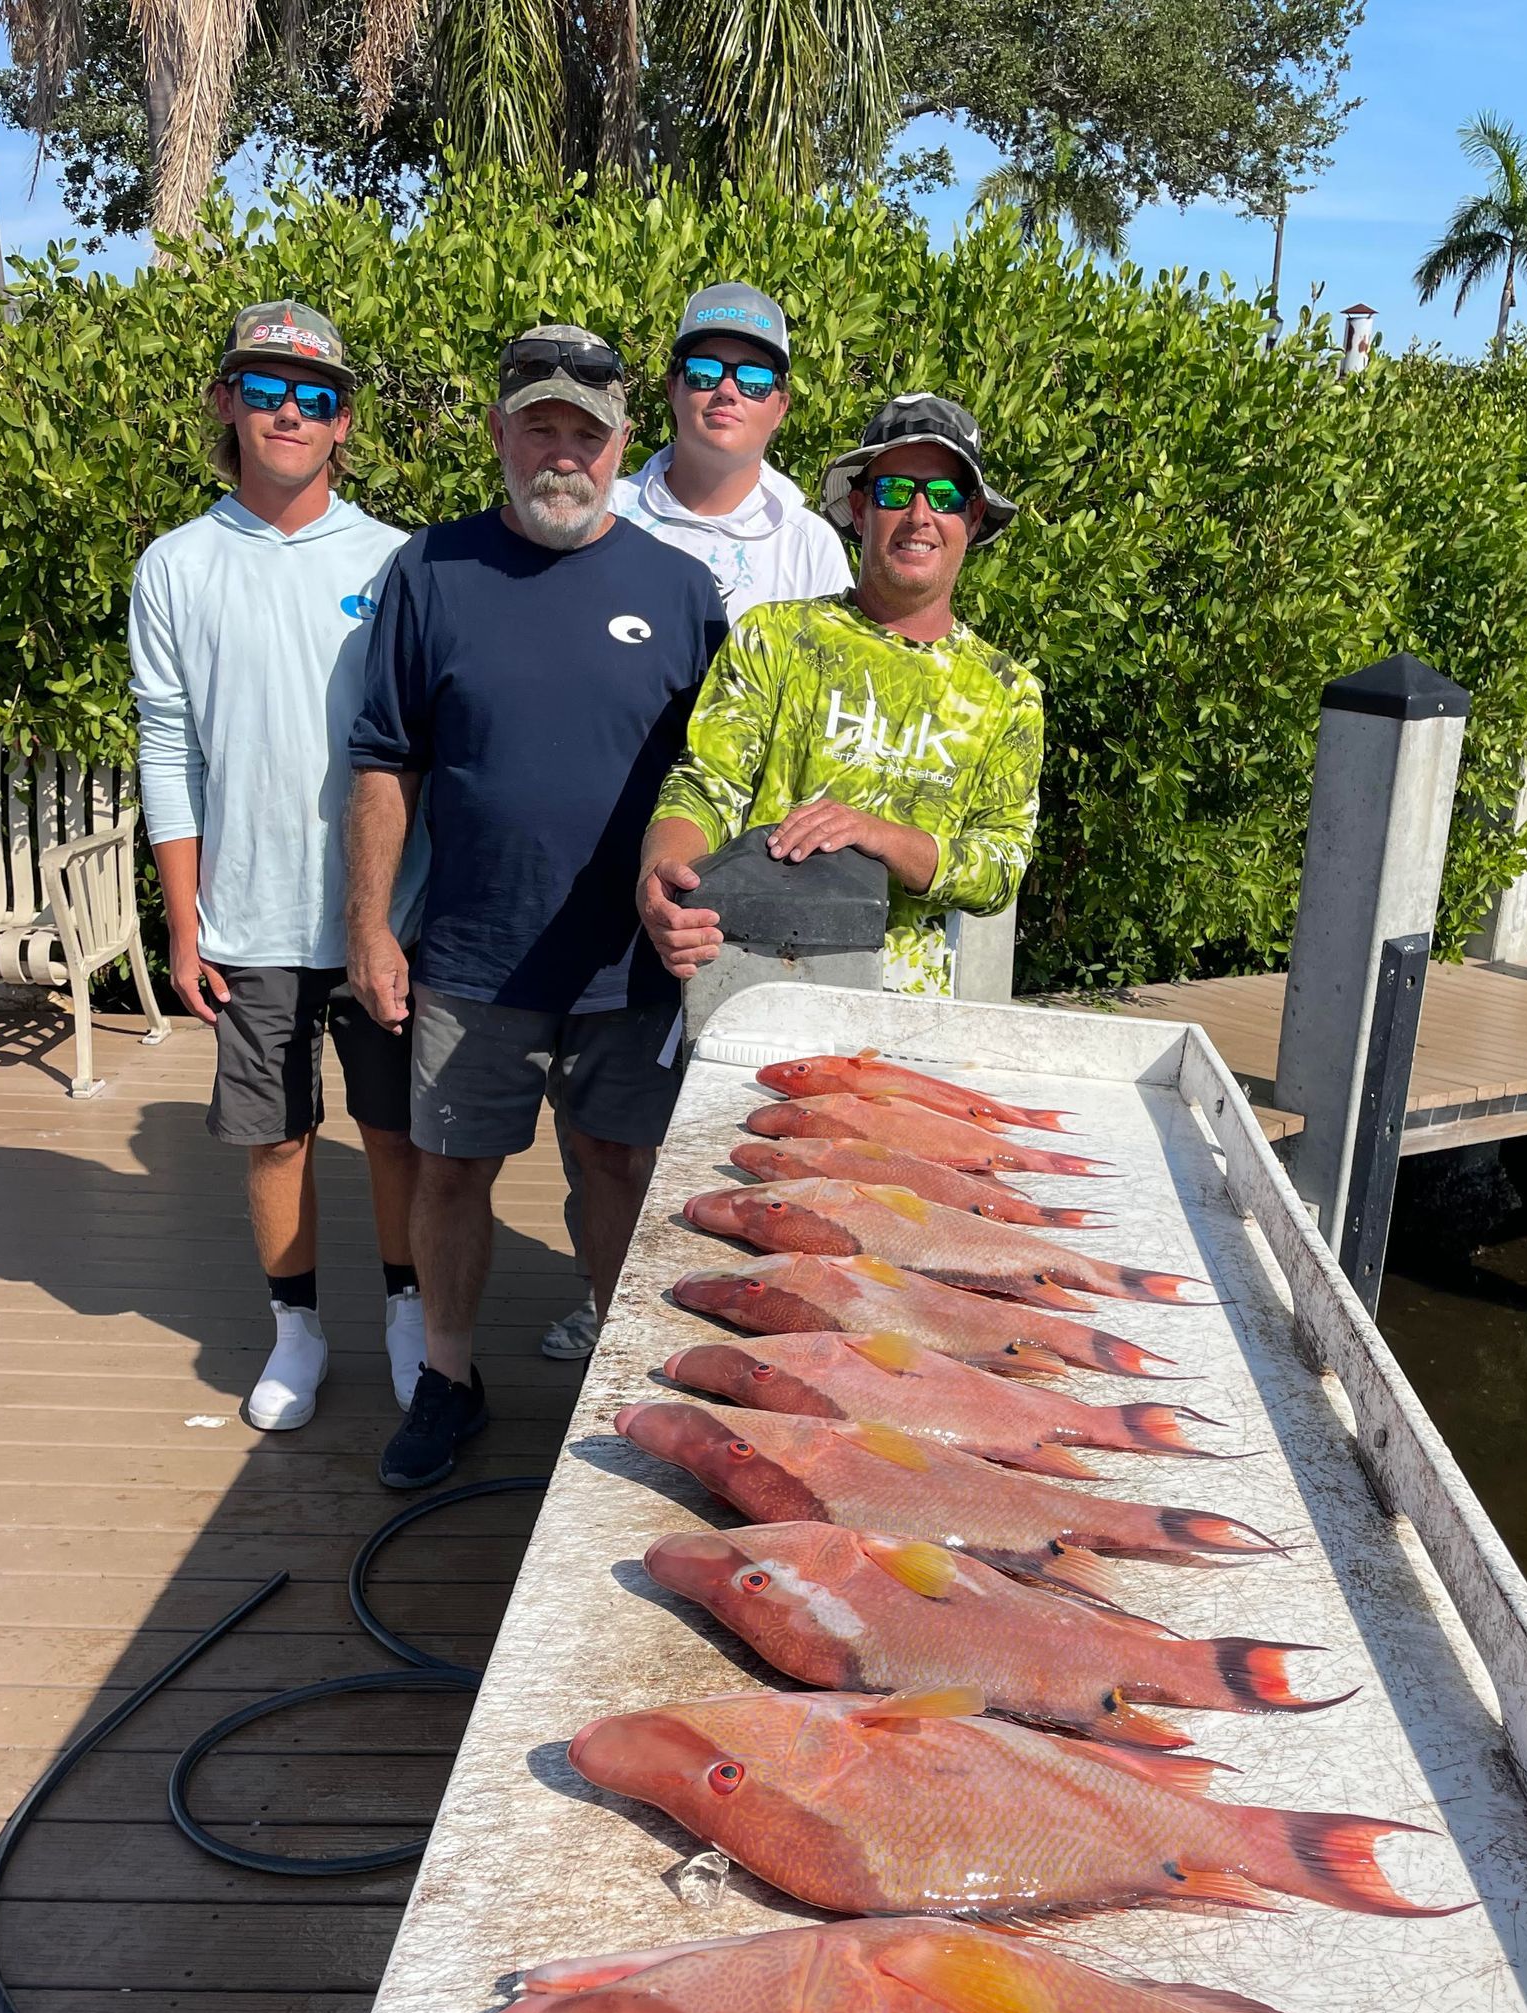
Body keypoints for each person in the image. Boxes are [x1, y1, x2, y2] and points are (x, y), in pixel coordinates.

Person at [347, 324, 728, 1491]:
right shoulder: (430, 569)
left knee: (618, 1167)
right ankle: (447, 1382)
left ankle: (620, 1392)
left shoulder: (682, 588)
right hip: (471, 951)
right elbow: (381, 760)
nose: (563, 453)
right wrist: (368, 926)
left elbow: (718, 775)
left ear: (623, 443)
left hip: (631, 963)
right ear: (502, 433)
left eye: (587, 432)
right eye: (540, 428)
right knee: (452, 1171)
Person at [534, 280, 851, 1367]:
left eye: (752, 374)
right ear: (668, 389)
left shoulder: (812, 545)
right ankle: (608, 1299)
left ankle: (744, 1325)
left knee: (752, 1126)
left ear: (781, 404)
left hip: (757, 893)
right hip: (606, 868)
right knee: (602, 1124)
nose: (727, 390)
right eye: (706, 369)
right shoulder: (598, 505)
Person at [130, 301, 428, 1433]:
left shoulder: (397, 560)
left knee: (396, 1132)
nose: (289, 413)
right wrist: (180, 916)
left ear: (344, 422)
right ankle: (296, 1331)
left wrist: (408, 909)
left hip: (384, 917)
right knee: (276, 1133)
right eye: (265, 390)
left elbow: (425, 746)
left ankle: (409, 1315)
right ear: (226, 403)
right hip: (246, 916)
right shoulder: (175, 565)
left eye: (315, 397)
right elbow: (169, 745)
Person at [635, 392, 1043, 1000]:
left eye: (947, 496)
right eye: (895, 492)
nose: (920, 514)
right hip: (751, 995)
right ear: (859, 508)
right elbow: (704, 785)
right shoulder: (774, 636)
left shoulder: (1009, 692)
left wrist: (876, 834)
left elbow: (1000, 868)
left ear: (973, 519)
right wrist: (660, 872)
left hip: (910, 1027)